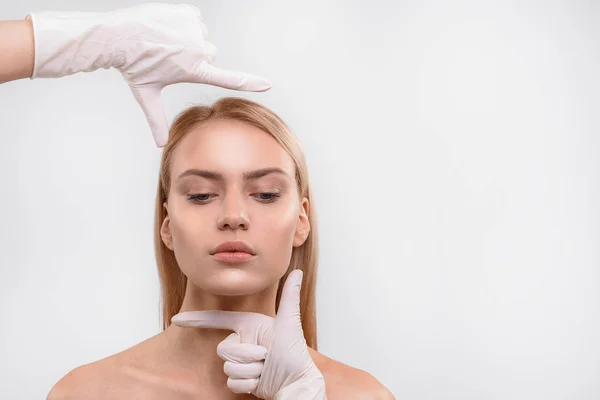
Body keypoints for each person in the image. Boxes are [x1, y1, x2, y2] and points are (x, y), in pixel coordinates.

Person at [1, 4, 395, 399]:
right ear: (167, 225)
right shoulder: (87, 392)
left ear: (302, 221)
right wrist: (84, 40)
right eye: (202, 195)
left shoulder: (359, 394)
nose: (234, 216)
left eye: (266, 194)